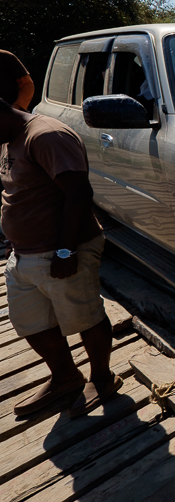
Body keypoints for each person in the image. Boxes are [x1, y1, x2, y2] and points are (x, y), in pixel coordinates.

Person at [0, 97, 119, 417]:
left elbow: (79, 194)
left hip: (62, 250)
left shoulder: (46, 135)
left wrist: (66, 251)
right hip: (24, 254)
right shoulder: (10, 138)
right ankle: (65, 377)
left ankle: (102, 378)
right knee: (30, 322)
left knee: (86, 316)